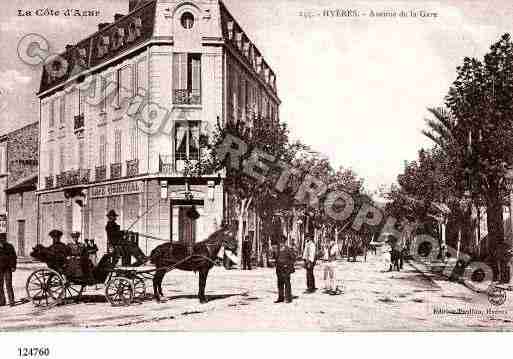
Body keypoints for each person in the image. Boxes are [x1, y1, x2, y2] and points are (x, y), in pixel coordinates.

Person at [274, 235, 296, 303]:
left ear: (284, 242)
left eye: (282, 242)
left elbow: (293, 258)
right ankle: (280, 297)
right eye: (280, 242)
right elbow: (276, 258)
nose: (281, 243)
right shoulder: (277, 249)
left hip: (286, 269)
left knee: (287, 283)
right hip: (279, 268)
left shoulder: (288, 249)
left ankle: (288, 298)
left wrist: (288, 265)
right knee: (280, 283)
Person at [0, 233, 16, 307]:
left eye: (3, 239)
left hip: (7, 268)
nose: (2, 240)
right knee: (0, 285)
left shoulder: (9, 246)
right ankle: (2, 301)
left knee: (8, 284)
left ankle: (11, 301)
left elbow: (13, 257)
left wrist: (13, 266)